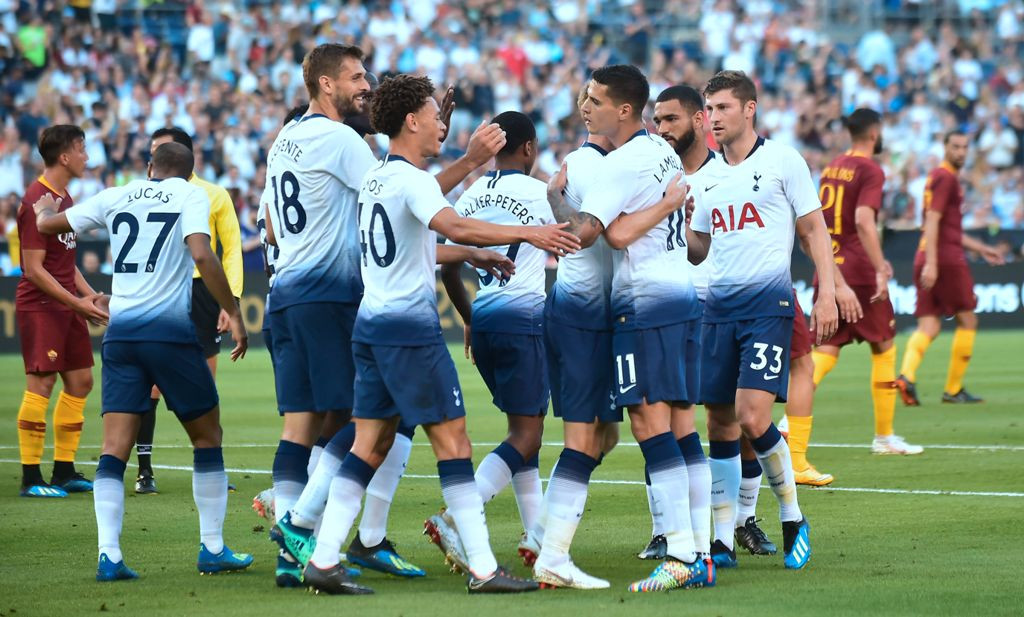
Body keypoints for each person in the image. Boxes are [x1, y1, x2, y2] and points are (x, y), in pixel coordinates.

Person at [276, 73, 579, 595]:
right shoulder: (408, 178)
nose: (444, 125)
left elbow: (427, 229)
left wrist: (472, 247)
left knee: (367, 443)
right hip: (407, 331)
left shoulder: (379, 177)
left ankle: (322, 557)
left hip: (371, 326)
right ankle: (485, 570)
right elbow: (455, 226)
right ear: (411, 121)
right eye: (436, 117)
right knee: (453, 440)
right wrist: (527, 231)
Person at [32, 141, 251, 581]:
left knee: (114, 448)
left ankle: (108, 555)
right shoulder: (191, 195)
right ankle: (212, 547)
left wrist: (41, 209)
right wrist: (235, 311)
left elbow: (48, 226)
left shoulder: (118, 193)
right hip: (170, 335)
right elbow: (203, 255)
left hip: (122, 335)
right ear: (189, 174)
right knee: (207, 437)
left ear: (150, 167)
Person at [543, 66, 705, 593]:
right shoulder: (662, 151)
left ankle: (681, 553)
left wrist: (555, 200)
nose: (584, 106)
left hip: (644, 307)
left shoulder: (625, 163)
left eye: (594, 99)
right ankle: (697, 550)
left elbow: (594, 236)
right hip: (680, 297)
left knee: (646, 422)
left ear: (624, 110)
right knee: (680, 425)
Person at [688, 70, 839, 571]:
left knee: (753, 417)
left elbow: (814, 229)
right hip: (717, 310)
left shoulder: (782, 161)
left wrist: (828, 291)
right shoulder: (705, 177)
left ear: (749, 109)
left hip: (767, 307)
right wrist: (670, 217)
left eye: (723, 109)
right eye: (709, 110)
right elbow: (699, 249)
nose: (713, 119)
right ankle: (722, 539)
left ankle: (793, 517)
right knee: (720, 422)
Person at [440, 110, 552, 563]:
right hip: (524, 319)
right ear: (528, 148)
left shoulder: (467, 198)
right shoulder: (542, 193)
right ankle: (453, 516)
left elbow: (448, 265)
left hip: (484, 319)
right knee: (527, 434)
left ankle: (537, 536)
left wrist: (467, 316)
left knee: (524, 432)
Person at [629, 86, 715, 573]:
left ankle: (705, 540)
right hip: (678, 303)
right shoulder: (663, 168)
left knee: (690, 421)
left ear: (698, 120)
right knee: (668, 421)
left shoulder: (716, 174)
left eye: (671, 119)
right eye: (657, 120)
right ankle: (677, 537)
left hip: (688, 305)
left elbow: (699, 249)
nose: (663, 128)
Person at [133, 126, 243, 495]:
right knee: (150, 386)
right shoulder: (141, 195)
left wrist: (233, 301)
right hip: (160, 289)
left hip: (200, 292)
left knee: (204, 387)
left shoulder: (212, 194)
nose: (154, 161)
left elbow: (231, 249)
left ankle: (212, 470)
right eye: (152, 153)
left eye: (161, 152)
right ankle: (144, 470)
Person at [810, 108, 923, 455]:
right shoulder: (871, 168)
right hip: (858, 269)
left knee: (826, 349)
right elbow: (862, 220)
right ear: (874, 134)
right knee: (885, 346)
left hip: (830, 267)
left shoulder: (833, 167)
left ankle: (785, 423)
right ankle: (885, 438)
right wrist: (879, 267)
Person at [15, 124, 105, 498]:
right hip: (41, 304)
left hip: (65, 303)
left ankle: (64, 470)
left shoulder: (64, 198)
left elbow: (66, 263)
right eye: (82, 149)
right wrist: (76, 303)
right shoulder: (36, 199)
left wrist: (90, 296)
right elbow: (33, 269)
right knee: (42, 383)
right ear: (65, 156)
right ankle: (31, 477)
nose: (87, 157)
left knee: (81, 381)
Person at [896, 131, 1005, 406]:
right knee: (968, 320)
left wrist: (981, 248)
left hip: (927, 254)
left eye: (965, 147)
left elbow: (944, 227)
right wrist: (933, 263)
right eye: (955, 146)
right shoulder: (946, 178)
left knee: (929, 325)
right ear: (945, 147)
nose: (961, 152)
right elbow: (933, 222)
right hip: (944, 260)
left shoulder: (936, 176)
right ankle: (953, 389)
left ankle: (906, 376)